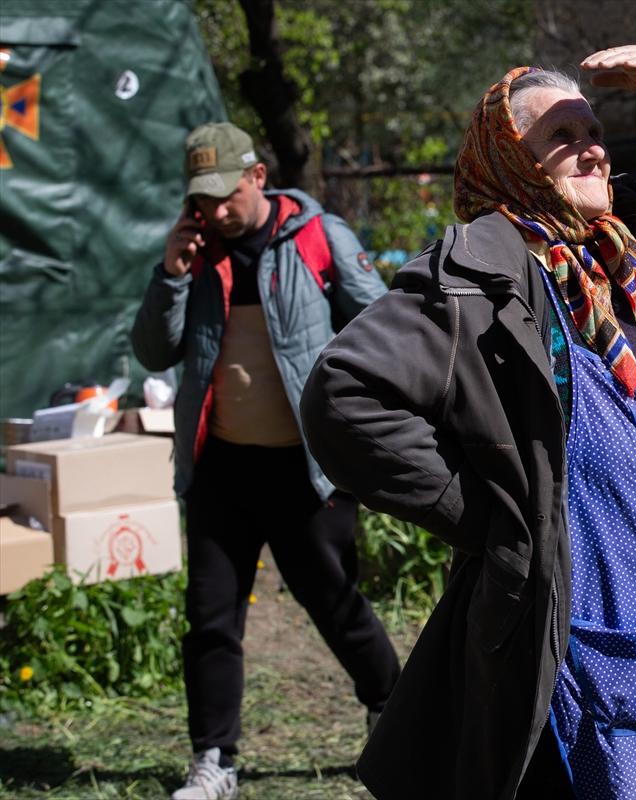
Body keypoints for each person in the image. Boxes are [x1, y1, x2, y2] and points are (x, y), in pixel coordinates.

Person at [301, 45, 636, 800]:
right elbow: (343, 395)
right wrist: (498, 513)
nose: (592, 149)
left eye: (594, 131)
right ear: (510, 159)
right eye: (562, 136)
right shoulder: (479, 279)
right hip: (587, 645)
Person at [131, 122, 400, 800]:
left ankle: (393, 714)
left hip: (306, 467)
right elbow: (153, 352)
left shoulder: (317, 237)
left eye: (227, 194)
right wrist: (170, 275)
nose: (217, 210)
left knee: (335, 605)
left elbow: (384, 328)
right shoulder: (197, 256)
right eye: (203, 199)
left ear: (258, 176)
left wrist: (362, 428)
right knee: (210, 619)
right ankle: (214, 760)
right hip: (221, 468)